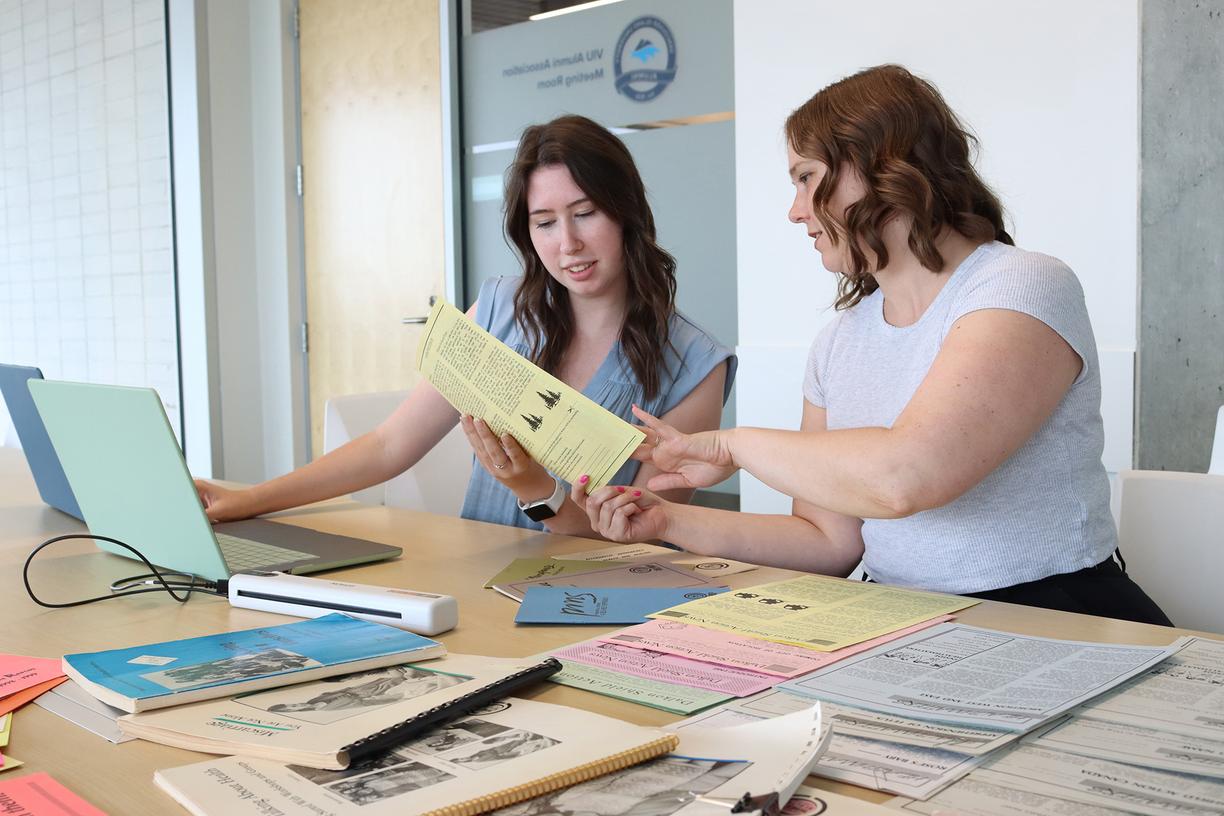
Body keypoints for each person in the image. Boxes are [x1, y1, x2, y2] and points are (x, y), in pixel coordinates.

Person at [574, 65, 1170, 625]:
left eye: (806, 178)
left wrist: (732, 445)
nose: (794, 211)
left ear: (878, 165)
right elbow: (828, 542)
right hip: (904, 618)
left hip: (1051, 614)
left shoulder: (1023, 283)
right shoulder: (841, 341)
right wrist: (666, 519)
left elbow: (905, 476)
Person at [195, 115, 735, 536]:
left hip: (593, 597)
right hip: (477, 571)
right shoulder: (501, 309)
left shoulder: (695, 363)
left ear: (626, 212)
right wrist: (247, 499)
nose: (567, 243)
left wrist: (538, 492)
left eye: (586, 213)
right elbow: (388, 446)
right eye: (544, 223)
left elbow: (642, 538)